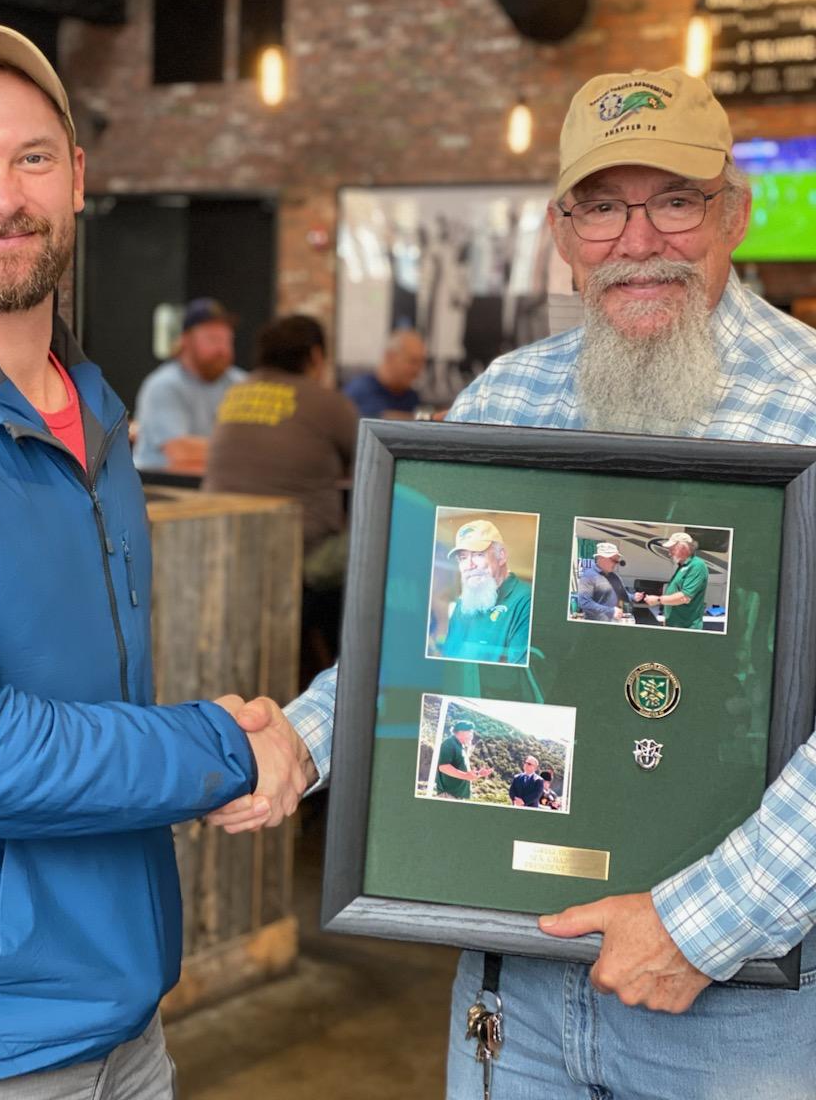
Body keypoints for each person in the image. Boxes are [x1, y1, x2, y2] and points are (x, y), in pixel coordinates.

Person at [213, 65, 816, 1098]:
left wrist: (703, 922)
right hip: (515, 990)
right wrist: (301, 740)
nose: (636, 240)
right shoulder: (512, 392)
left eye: (673, 199)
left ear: (734, 208)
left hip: (742, 1006)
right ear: (561, 227)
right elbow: (427, 636)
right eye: (600, 206)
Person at [0, 22, 313, 1096]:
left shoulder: (91, 404)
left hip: (122, 1015)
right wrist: (225, 747)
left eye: (29, 157)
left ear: (77, 178)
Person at [203, 314, 358, 567]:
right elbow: (371, 464)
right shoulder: (328, 403)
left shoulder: (234, 393)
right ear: (316, 355)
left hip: (220, 542)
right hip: (299, 555)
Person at [132, 296, 244, 474]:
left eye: (227, 340)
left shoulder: (240, 383)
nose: (222, 349)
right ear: (185, 340)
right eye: (213, 339)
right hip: (162, 487)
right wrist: (249, 451)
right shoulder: (164, 385)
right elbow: (180, 451)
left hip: (213, 484)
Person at [439, 519, 532, 664]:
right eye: (463, 558)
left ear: (501, 556)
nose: (469, 565)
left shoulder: (526, 600)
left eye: (478, 554)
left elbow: (518, 677)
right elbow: (448, 660)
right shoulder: (462, 605)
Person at [342, 328, 427, 418]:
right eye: (413, 361)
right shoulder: (358, 392)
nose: (418, 370)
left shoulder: (412, 398)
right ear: (390, 357)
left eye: (421, 363)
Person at [636, 530, 709, 629]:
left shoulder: (697, 565)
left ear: (683, 547)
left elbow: (684, 597)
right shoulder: (682, 566)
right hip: (674, 625)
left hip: (686, 627)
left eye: (671, 549)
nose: (669, 553)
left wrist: (658, 600)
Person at [435, 720, 494, 799]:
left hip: (458, 796)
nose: (472, 736)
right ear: (461, 731)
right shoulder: (449, 743)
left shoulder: (461, 747)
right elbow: (443, 767)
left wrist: (478, 774)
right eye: (470, 732)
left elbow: (462, 772)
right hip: (449, 795)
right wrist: (466, 776)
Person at [577, 540, 633, 621]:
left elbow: (623, 595)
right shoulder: (588, 576)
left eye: (617, 561)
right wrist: (611, 611)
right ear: (602, 558)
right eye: (614, 561)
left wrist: (635, 597)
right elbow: (584, 603)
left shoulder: (614, 577)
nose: (616, 564)